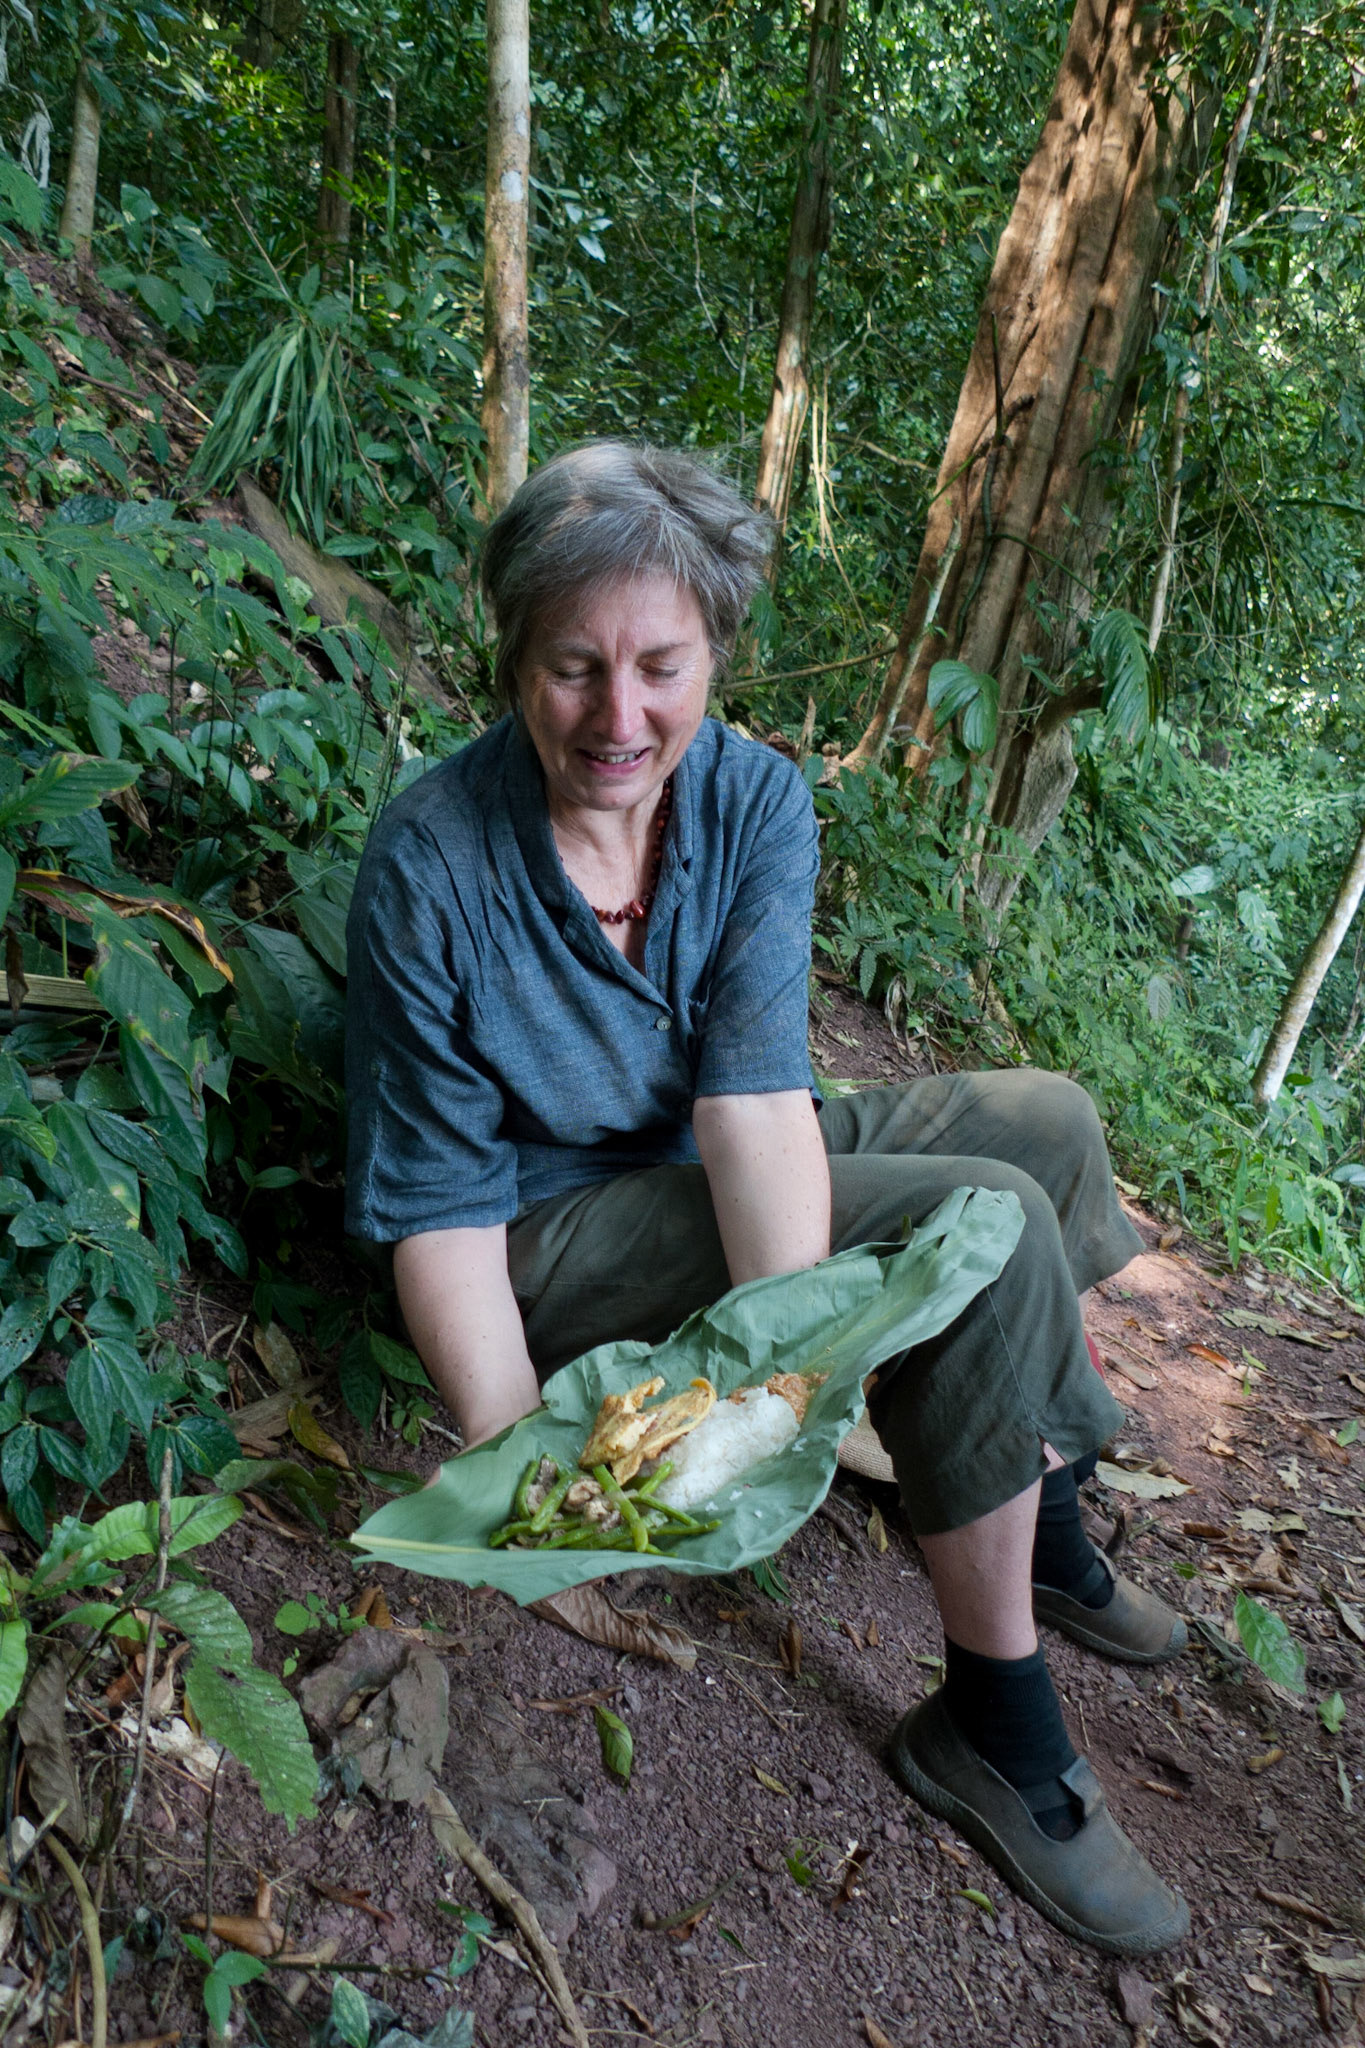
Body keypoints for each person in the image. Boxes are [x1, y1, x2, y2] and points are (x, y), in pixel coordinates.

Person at [344, 440, 1190, 1956]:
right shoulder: (432, 858)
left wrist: (794, 1364)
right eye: (571, 669)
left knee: (1043, 1127)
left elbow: (750, 1098)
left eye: (660, 667)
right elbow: (439, 1204)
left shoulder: (750, 803)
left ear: (715, 655)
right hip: (557, 1230)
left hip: (705, 1151)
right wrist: (519, 1496)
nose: (620, 718)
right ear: (511, 661)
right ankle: (990, 1722)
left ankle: (1026, 1494)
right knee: (980, 1231)